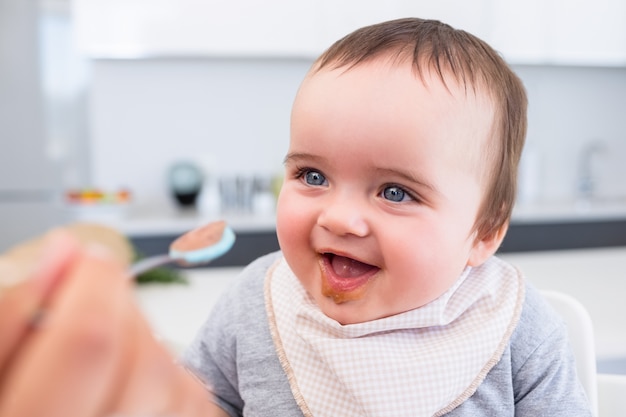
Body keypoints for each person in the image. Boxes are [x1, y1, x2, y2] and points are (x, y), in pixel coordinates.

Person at [0, 17, 591, 417]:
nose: (340, 217)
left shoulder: (517, 329)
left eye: (395, 192)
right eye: (312, 176)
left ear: (484, 232)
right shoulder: (257, 300)